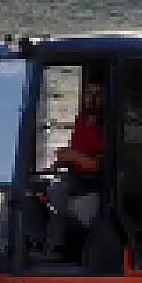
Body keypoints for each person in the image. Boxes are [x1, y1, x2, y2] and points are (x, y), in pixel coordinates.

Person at [45, 78, 106, 258]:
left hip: (95, 183)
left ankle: (56, 249)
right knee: (36, 187)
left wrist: (72, 156)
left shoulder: (107, 126)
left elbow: (98, 166)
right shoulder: (82, 120)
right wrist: (61, 162)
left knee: (57, 191)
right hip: (77, 177)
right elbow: (76, 152)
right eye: (89, 94)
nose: (92, 99)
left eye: (98, 95)